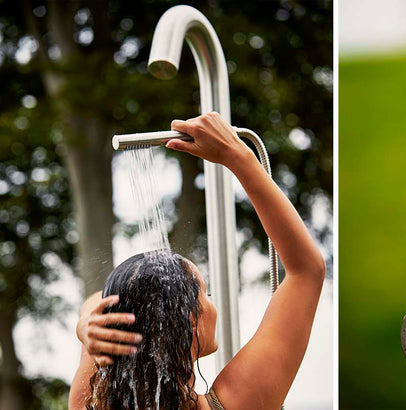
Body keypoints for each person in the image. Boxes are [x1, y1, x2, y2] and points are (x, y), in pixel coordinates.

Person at [68, 112, 326, 410]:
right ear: (190, 321)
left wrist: (85, 326)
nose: (213, 304)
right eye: (206, 293)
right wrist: (238, 155)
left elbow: (101, 304)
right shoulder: (234, 403)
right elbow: (306, 269)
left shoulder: (89, 402)